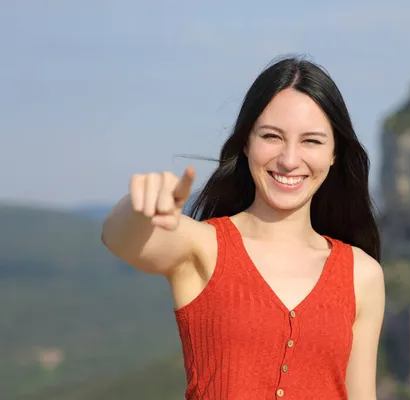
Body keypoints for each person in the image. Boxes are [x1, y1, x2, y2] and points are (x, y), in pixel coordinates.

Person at [101, 55, 386, 400]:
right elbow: (118, 238)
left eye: (311, 141)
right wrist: (140, 204)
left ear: (334, 154)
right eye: (272, 136)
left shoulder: (361, 275)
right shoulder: (204, 247)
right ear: (247, 142)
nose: (289, 159)